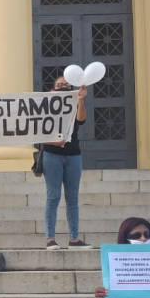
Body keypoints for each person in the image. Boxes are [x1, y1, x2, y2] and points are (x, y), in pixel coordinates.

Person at [43, 76, 91, 250]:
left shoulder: (74, 103)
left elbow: (81, 120)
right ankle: (50, 238)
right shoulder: (45, 106)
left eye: (66, 84)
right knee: (53, 197)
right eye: (59, 85)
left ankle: (74, 239)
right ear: (52, 90)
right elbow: (36, 132)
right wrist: (54, 142)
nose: (63, 86)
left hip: (73, 156)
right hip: (52, 155)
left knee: (72, 199)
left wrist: (80, 100)